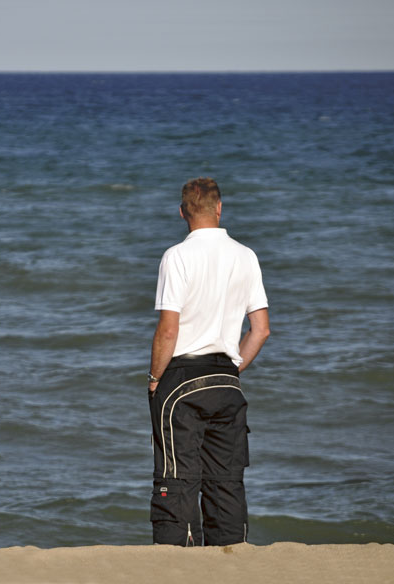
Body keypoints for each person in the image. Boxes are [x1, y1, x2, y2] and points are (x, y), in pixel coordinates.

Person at [147, 177, 270, 547]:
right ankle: (231, 558)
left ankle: (178, 564)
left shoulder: (177, 256)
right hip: (227, 381)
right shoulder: (246, 255)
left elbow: (169, 330)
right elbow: (260, 330)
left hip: (180, 379)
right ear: (219, 209)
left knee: (177, 479)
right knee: (226, 481)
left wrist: (154, 379)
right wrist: (232, 370)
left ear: (182, 212)